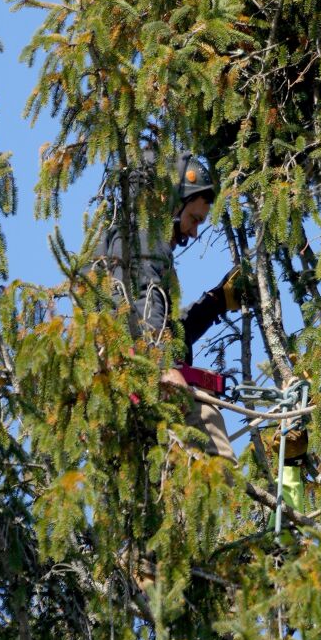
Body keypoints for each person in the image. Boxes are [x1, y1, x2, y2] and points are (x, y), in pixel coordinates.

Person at [98, 151, 242, 458]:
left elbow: (161, 328)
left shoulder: (128, 239)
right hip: (149, 384)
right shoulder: (143, 237)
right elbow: (142, 297)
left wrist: (214, 304)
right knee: (218, 471)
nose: (193, 231)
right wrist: (163, 365)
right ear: (173, 203)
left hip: (132, 391)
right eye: (193, 219)